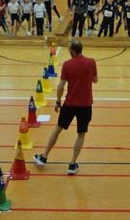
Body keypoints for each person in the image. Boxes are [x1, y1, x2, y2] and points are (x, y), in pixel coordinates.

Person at [33, 39, 96, 175]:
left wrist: (57, 101)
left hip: (70, 103)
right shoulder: (91, 62)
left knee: (58, 129)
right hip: (85, 105)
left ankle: (44, 157)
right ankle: (72, 164)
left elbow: (60, 86)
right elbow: (95, 80)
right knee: (81, 133)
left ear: (73, 51)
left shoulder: (67, 65)